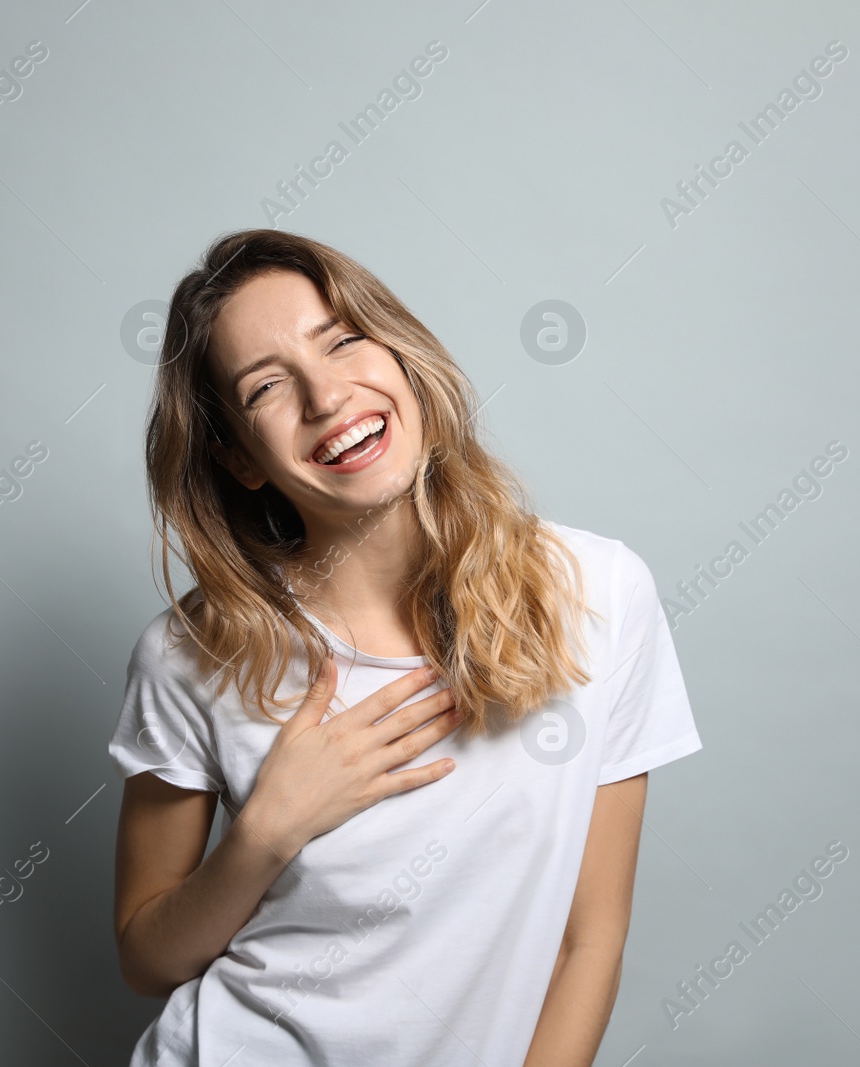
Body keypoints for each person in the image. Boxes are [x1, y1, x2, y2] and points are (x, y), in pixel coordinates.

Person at [107, 228, 703, 1066]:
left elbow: (588, 939)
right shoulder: (189, 653)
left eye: (343, 339)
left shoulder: (599, 593)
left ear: (400, 352)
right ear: (240, 459)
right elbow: (146, 955)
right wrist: (264, 834)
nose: (327, 396)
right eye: (268, 387)